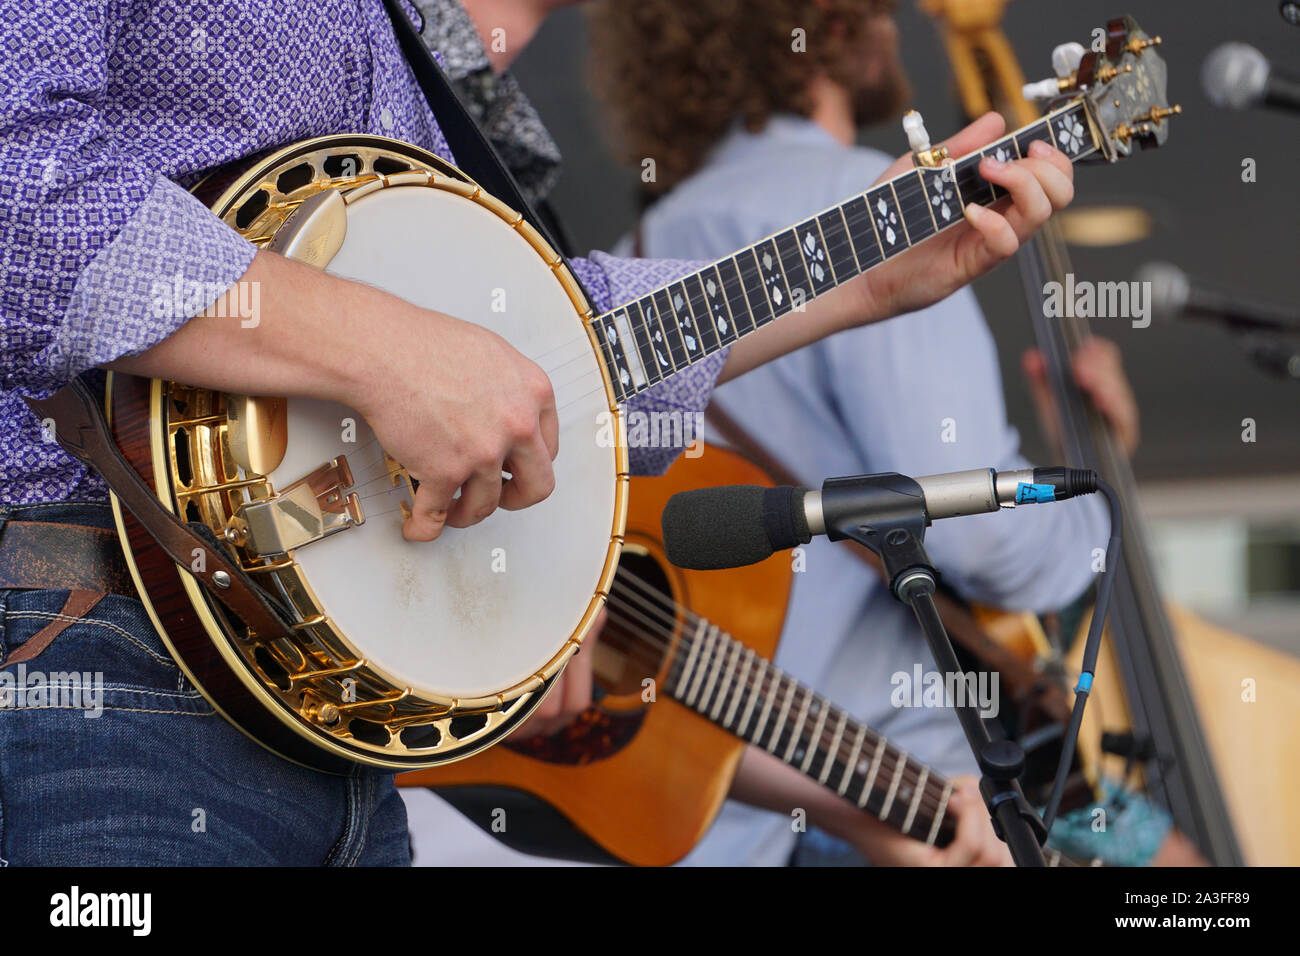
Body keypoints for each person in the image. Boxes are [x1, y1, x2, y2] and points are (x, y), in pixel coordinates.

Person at [0, 0, 1074, 865]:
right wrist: (386, 351)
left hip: (327, 731)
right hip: (98, 650)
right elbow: (17, 186)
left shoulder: (405, 36)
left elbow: (533, 346)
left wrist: (858, 278)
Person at [587, 0, 1191, 867]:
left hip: (710, 810)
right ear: (831, 22)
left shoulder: (638, 253)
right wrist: (1095, 494)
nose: (898, 25)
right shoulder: (863, 203)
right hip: (905, 798)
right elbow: (989, 542)